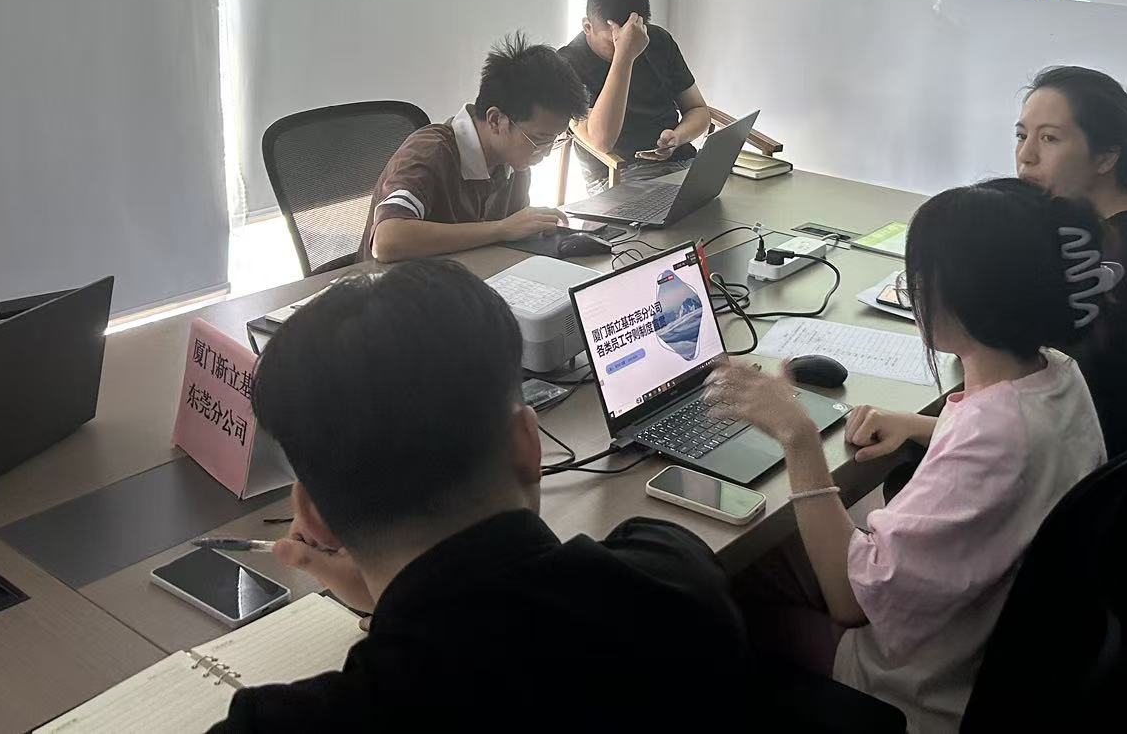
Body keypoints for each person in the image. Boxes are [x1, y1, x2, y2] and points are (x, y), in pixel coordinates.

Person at [211, 260, 749, 732]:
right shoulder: (678, 582)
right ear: (528, 445)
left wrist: (394, 594)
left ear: (312, 517)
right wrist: (419, 590)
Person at [707, 179, 1108, 734]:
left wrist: (797, 434)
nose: (910, 289)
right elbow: (1022, 447)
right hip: (995, 641)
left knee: (715, 598)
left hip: (918, 685)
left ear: (966, 298)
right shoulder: (1057, 372)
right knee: (777, 549)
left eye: (916, 277)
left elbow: (850, 601)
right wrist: (924, 425)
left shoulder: (993, 439)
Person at [1014, 64, 1127, 457]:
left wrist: (927, 427)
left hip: (1101, 467)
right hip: (1119, 450)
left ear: (1105, 157)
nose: (1026, 156)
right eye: (1021, 135)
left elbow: (1053, 417)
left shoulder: (1121, 264)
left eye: (1049, 138)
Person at [359, 33, 588, 261]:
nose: (546, 151)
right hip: (399, 281)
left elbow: (509, 241)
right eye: (540, 139)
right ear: (496, 120)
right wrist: (501, 229)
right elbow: (387, 240)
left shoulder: (513, 162)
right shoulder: (431, 152)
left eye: (554, 140)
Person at [557, 0, 710, 190]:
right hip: (617, 176)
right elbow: (602, 141)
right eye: (613, 41)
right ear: (587, 27)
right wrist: (625, 56)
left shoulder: (658, 40)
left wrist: (678, 137)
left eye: (633, 35)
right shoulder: (568, 64)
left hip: (681, 164)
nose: (626, 43)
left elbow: (698, 109)